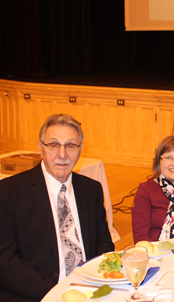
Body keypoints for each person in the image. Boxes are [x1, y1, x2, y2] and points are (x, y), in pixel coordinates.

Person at [0, 114, 114, 302]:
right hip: (36, 295)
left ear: (80, 149)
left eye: (70, 146)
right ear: (40, 148)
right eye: (53, 145)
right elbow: (5, 262)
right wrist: (57, 294)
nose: (62, 154)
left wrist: (95, 284)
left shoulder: (91, 189)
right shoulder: (10, 192)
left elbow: (104, 245)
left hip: (90, 291)